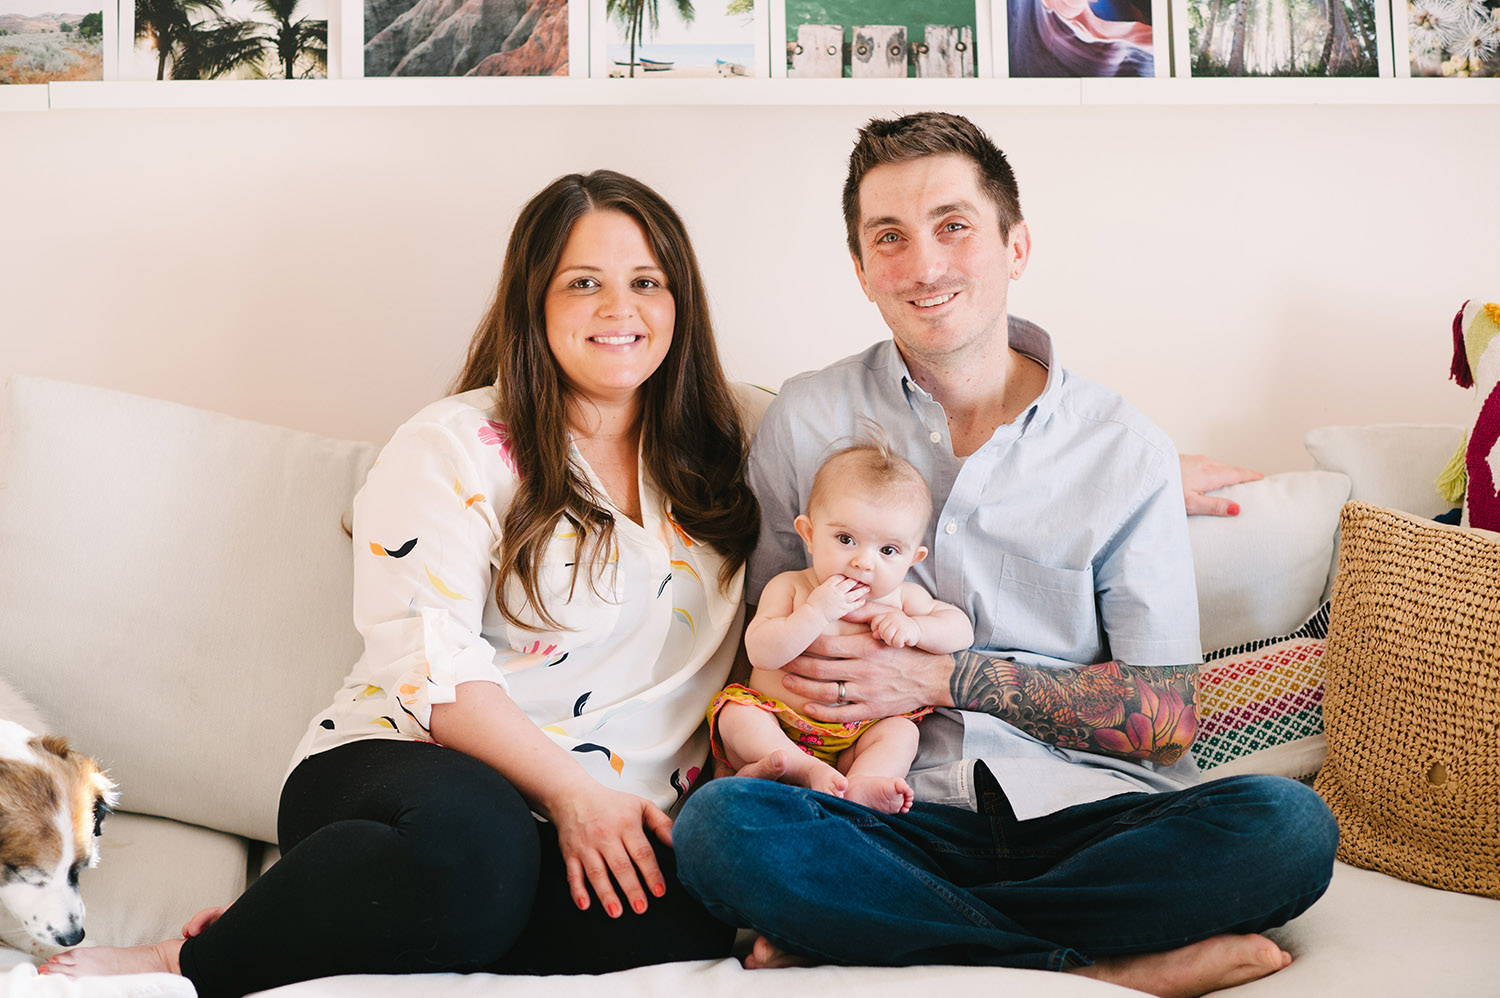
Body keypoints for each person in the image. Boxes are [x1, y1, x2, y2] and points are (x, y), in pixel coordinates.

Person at [43, 170, 762, 996]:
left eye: (646, 283)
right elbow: (433, 669)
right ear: (534, 301)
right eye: (583, 283)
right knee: (476, 853)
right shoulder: (452, 444)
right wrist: (572, 795)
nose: (619, 309)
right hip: (403, 770)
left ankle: (355, 917)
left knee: (689, 912)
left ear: (681, 302)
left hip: (600, 819)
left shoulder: (724, 454)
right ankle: (195, 957)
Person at [673, 112, 1338, 998]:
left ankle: (886, 934)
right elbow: (762, 643)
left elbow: (1168, 714)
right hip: (884, 811)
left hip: (1090, 819)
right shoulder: (806, 421)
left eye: (954, 225)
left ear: (1015, 245)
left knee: (1288, 827)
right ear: (863, 270)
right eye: (889, 238)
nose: (925, 264)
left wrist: (944, 681)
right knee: (723, 829)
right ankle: (1099, 967)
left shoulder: (1120, 447)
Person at [709, 438, 973, 814]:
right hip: (780, 725)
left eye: (888, 551)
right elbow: (761, 652)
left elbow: (962, 629)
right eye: (846, 539)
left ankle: (864, 783)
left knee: (901, 732)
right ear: (808, 534)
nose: (864, 562)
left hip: (859, 732)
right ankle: (802, 769)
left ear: (913, 558)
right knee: (737, 715)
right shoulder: (793, 587)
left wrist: (916, 629)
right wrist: (814, 613)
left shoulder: (902, 599)